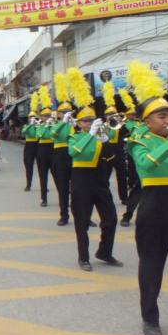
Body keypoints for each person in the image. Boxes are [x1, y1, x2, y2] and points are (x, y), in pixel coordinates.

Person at [124, 60, 168, 335]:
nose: (167, 120)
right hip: (155, 207)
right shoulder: (138, 141)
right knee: (152, 265)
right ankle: (150, 318)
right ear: (147, 121)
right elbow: (148, 164)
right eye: (162, 116)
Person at [66, 67, 121, 272]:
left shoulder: (100, 135)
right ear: (78, 123)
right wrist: (90, 135)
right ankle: (83, 257)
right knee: (82, 221)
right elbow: (75, 152)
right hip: (81, 181)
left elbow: (111, 158)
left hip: (100, 181)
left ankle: (104, 252)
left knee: (111, 219)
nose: (89, 123)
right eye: (86, 121)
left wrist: (105, 141)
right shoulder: (75, 137)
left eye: (91, 120)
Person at [120, 89, 144, 227]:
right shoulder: (135, 127)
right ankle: (127, 216)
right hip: (141, 163)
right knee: (137, 189)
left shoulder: (139, 125)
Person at [102, 81, 129, 205]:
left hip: (118, 151)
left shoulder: (120, 124)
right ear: (105, 115)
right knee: (104, 176)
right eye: (108, 114)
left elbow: (127, 133)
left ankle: (124, 197)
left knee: (122, 175)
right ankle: (105, 197)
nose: (110, 116)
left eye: (112, 114)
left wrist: (121, 122)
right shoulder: (103, 125)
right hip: (107, 152)